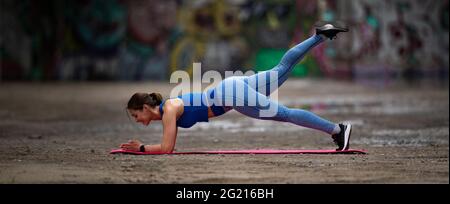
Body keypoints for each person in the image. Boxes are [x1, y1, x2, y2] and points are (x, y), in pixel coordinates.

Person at [120, 22, 351, 153]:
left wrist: (140, 148)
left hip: (229, 95)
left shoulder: (168, 109)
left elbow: (167, 148)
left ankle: (338, 130)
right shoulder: (168, 110)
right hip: (231, 88)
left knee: (285, 114)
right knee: (282, 68)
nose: (136, 119)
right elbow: (168, 144)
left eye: (135, 114)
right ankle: (320, 36)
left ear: (144, 106)